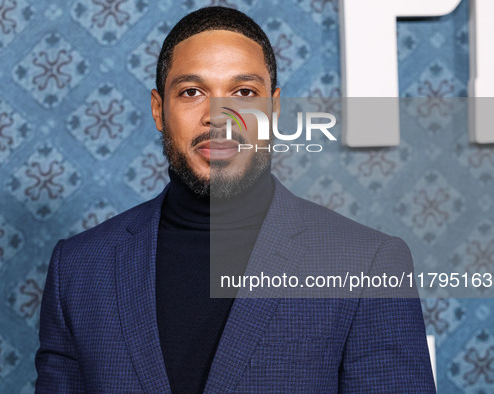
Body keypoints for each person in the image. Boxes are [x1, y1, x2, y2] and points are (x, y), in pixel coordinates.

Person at [35, 6, 436, 393]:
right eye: (192, 91)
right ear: (159, 110)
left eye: (244, 91)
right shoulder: (78, 269)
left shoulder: (369, 264)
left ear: (273, 108)